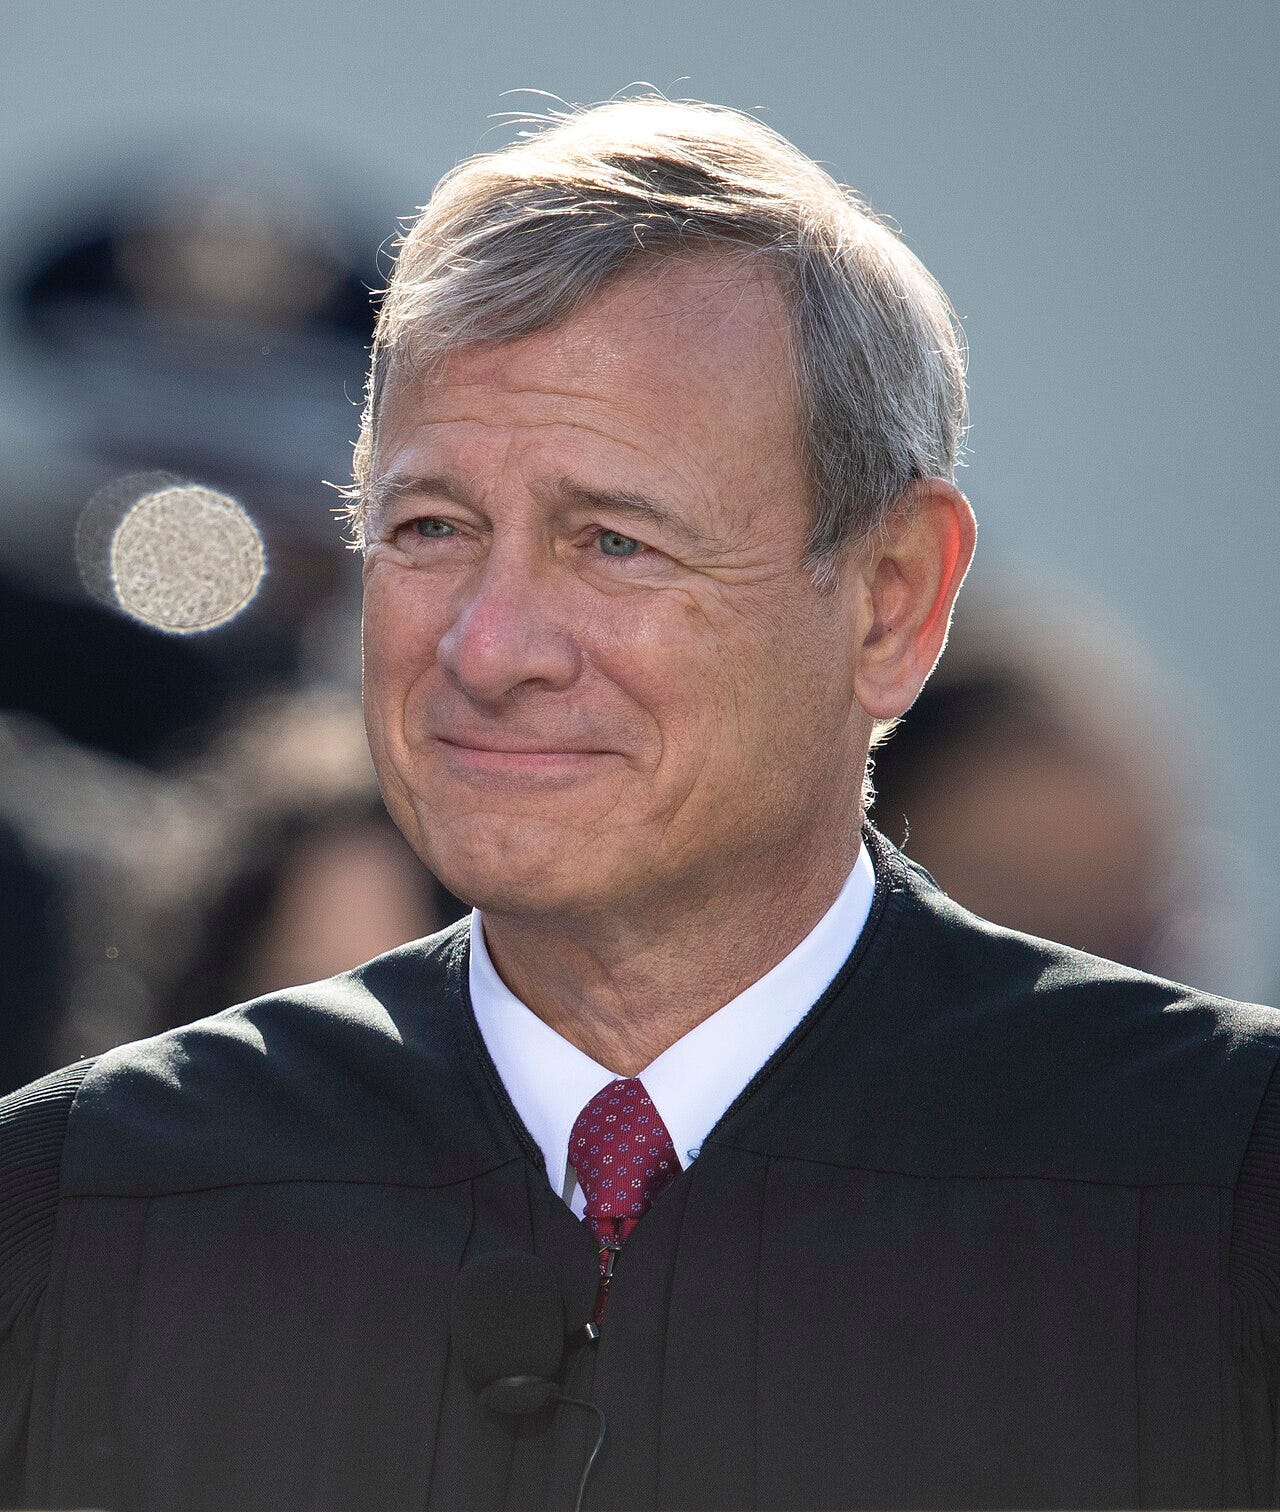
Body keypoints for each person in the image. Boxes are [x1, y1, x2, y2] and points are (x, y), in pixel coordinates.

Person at [1, 98, 1277, 1512]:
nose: (489, 648)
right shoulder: (77, 1211)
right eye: (431, 530)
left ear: (892, 599)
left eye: (614, 540)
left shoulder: (1218, 1190)